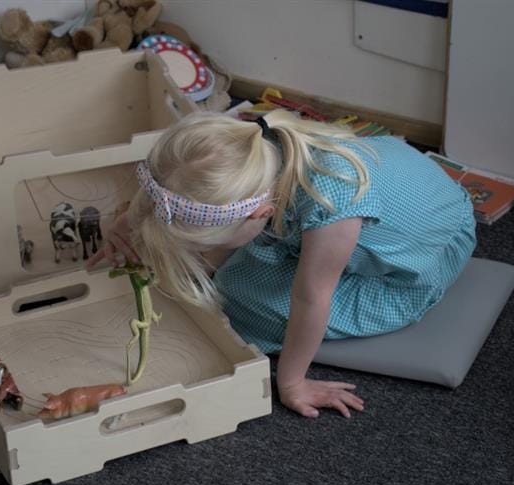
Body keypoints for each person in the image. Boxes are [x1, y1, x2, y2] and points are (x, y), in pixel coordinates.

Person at [87, 109, 476, 419]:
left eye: (205, 243)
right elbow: (166, 185)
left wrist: (292, 382)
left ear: (261, 214)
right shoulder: (257, 144)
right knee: (233, 269)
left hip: (419, 266)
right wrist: (128, 222)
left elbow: (311, 300)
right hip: (375, 214)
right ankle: (223, 248)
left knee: (243, 304)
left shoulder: (332, 209)